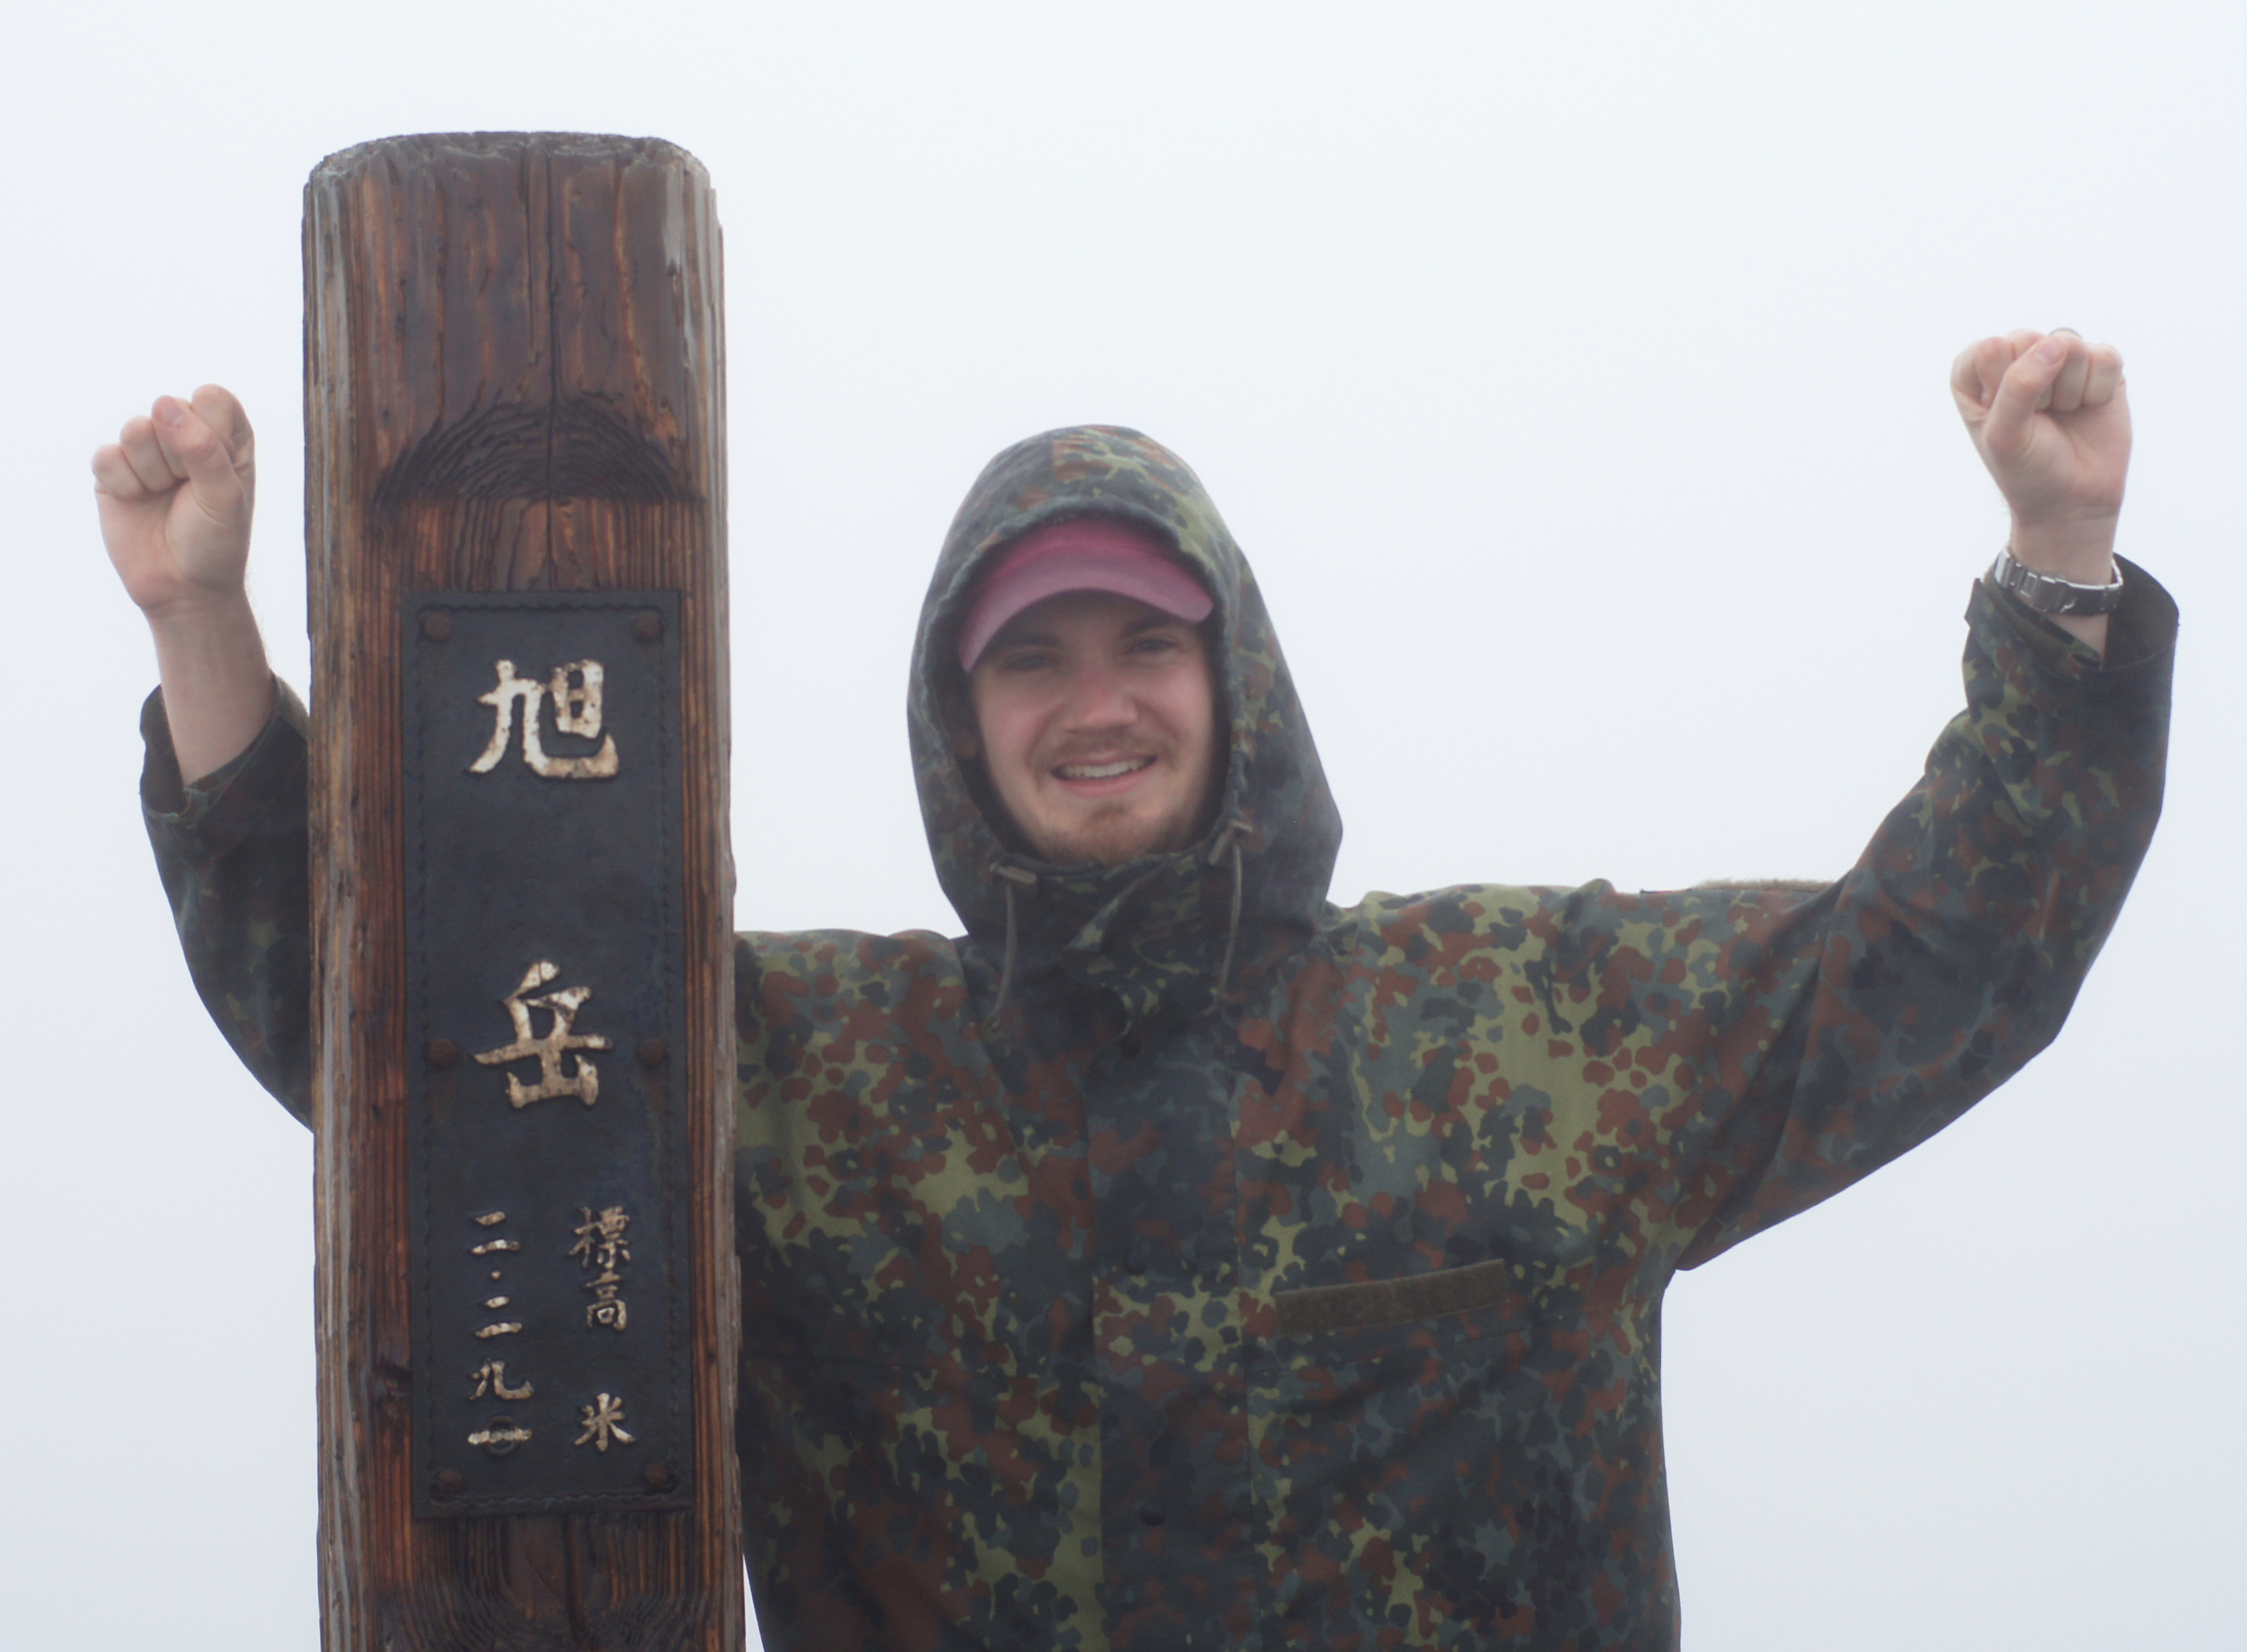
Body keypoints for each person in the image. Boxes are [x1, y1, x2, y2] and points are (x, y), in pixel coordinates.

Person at [96, 329, 2172, 1650]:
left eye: (1141, 645)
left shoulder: (1523, 1033)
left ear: (1230, 675)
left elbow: (1941, 963)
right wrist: (207, 635)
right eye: (1032, 657)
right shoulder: (813, 1087)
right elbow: (438, 1069)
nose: (1095, 704)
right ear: (961, 713)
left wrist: (2060, 566)